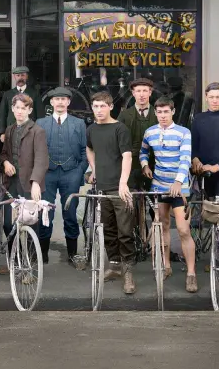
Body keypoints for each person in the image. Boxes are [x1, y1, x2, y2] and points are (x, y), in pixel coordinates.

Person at [140, 98, 197, 293]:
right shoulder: (150, 132)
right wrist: (145, 165)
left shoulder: (183, 132)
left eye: (166, 112)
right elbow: (143, 152)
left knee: (182, 229)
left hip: (179, 188)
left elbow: (185, 159)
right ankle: (165, 265)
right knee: (161, 225)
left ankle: (191, 273)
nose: (163, 115)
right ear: (155, 113)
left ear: (172, 111)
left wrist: (178, 182)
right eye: (160, 112)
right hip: (159, 186)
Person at [85, 92, 134, 294]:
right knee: (108, 230)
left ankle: (128, 270)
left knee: (125, 232)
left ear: (110, 107)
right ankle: (114, 265)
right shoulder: (91, 129)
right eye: (95, 106)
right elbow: (89, 149)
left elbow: (127, 156)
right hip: (101, 188)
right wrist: (94, 169)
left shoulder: (120, 128)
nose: (98, 110)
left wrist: (123, 183)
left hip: (118, 188)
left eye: (102, 106)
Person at [36, 87, 88, 265]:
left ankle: (73, 254)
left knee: (70, 214)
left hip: (71, 173)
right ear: (51, 103)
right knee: (45, 213)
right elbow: (36, 150)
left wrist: (80, 170)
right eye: (56, 99)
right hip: (47, 174)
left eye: (63, 99)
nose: (59, 102)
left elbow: (84, 150)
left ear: (68, 102)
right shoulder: (41, 123)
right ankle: (42, 254)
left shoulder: (78, 124)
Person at [0, 93, 48, 273]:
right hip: (11, 183)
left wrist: (35, 182)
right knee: (8, 224)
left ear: (30, 110)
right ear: (12, 109)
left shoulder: (37, 131)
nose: (20, 111)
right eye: (17, 108)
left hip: (29, 184)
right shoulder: (10, 129)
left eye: (23, 108)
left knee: (30, 225)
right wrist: (5, 163)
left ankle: (31, 267)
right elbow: (3, 153)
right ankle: (14, 261)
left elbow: (42, 159)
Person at [118, 78, 158, 192]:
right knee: (131, 200)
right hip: (131, 165)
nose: (142, 94)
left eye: (145, 91)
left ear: (150, 92)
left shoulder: (159, 114)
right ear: (133, 93)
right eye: (138, 91)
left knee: (155, 200)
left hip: (154, 164)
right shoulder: (124, 115)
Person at [0, 66, 43, 143]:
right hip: (11, 131)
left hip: (30, 131)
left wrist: (38, 132)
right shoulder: (8, 94)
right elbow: (2, 114)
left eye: (23, 75)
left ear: (27, 76)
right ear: (14, 77)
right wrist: (2, 132)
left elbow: (40, 115)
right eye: (18, 75)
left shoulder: (35, 93)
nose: (20, 78)